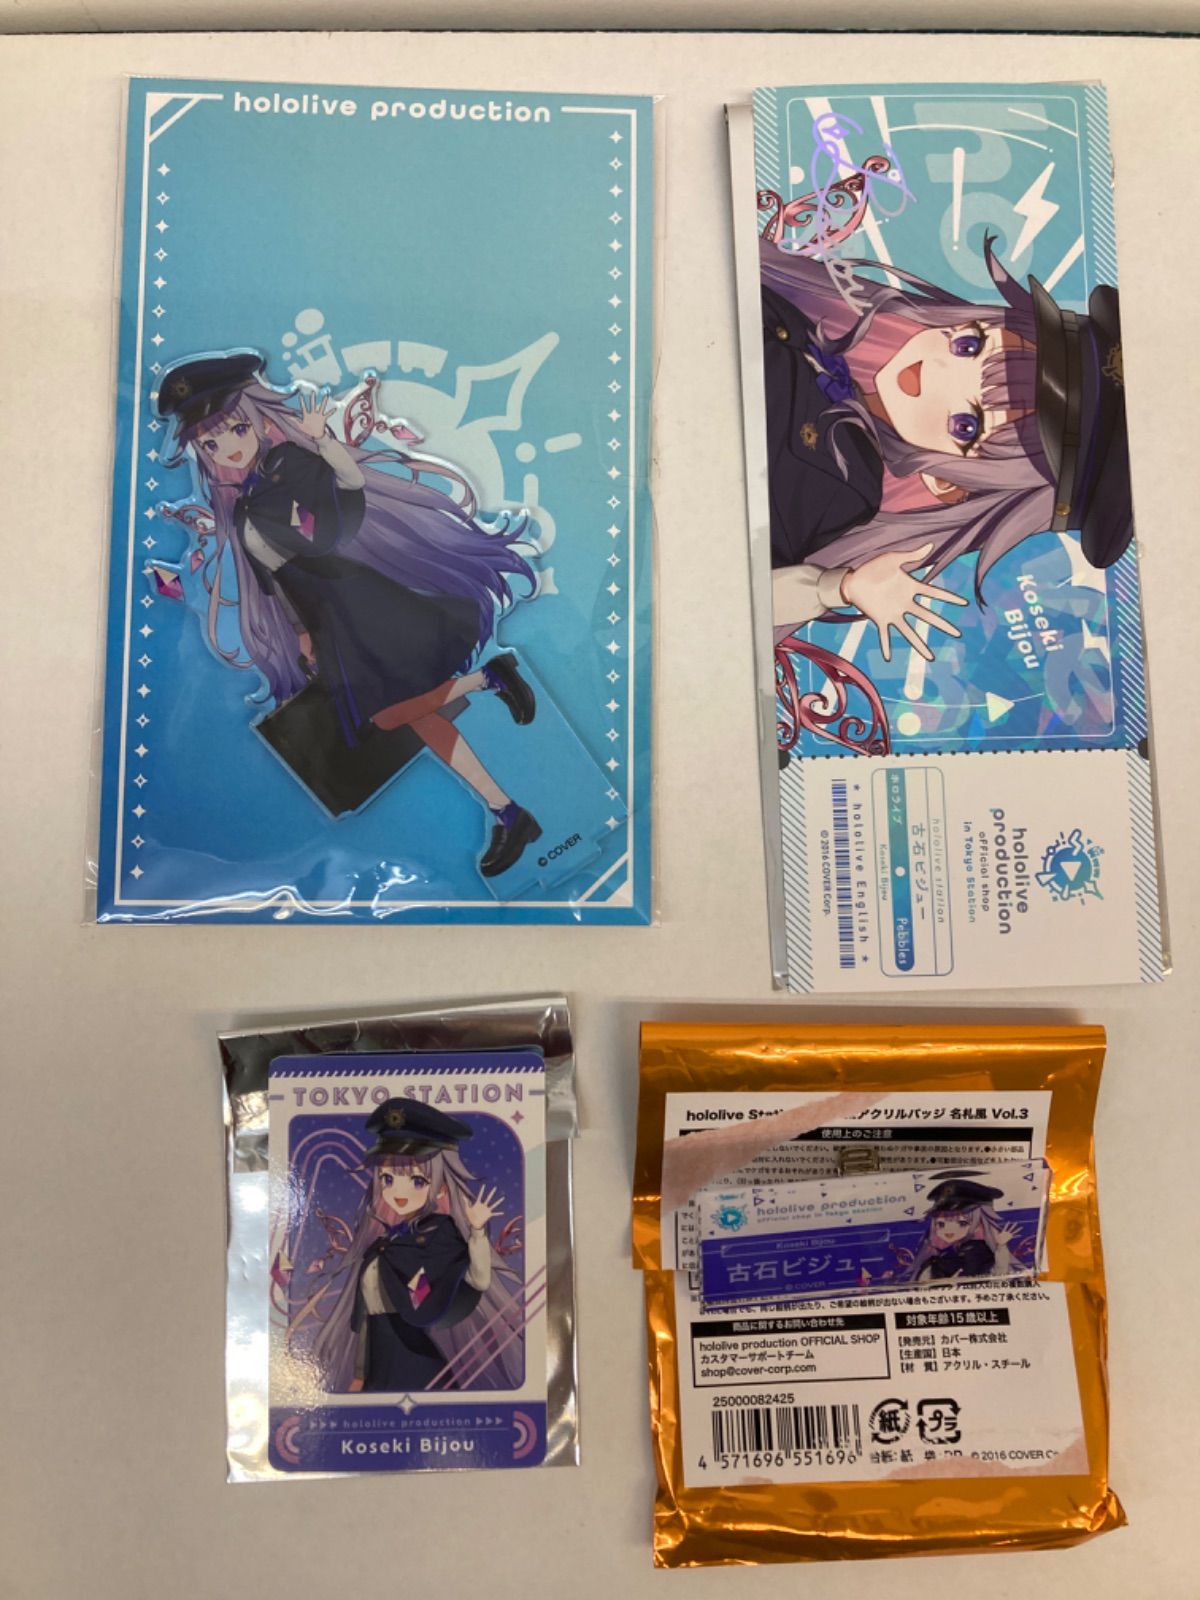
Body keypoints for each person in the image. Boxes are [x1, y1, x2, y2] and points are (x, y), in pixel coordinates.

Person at [157, 352, 542, 876]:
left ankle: (489, 679)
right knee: (415, 716)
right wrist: (300, 634)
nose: (228, 448)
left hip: (354, 600)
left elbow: (349, 494)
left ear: (259, 419)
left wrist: (322, 442)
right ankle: (508, 812)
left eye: (237, 429)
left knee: (388, 715)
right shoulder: (243, 505)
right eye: (211, 444)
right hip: (327, 622)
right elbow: (273, 579)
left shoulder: (289, 465)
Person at [760, 231, 1131, 751]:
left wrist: (836, 588)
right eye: (968, 346)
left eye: (965, 426)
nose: (929, 372)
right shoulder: (810, 324)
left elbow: (728, 606)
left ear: (948, 483)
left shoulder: (842, 491)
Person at [301, 1098, 523, 1393]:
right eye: (388, 1178)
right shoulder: (386, 1243)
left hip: (416, 1363)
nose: (399, 1192)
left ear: (440, 1187)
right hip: (378, 1364)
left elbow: (477, 1280)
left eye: (418, 1181)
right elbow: (367, 1319)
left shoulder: (440, 1234)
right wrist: (359, 1374)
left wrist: (478, 1231)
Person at [905, 1175, 1020, 1283]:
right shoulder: (936, 1257)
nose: (949, 1230)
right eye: (941, 1224)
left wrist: (1001, 1247)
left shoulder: (979, 1252)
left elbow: (999, 1276)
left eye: (962, 1223)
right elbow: (923, 1285)